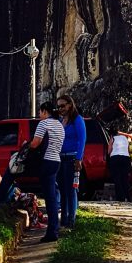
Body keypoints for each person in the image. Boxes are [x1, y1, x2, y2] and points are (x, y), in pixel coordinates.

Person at [30, 100, 64, 242]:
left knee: (50, 198)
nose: (39, 115)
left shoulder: (44, 124)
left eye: (40, 112)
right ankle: (53, 230)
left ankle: (52, 232)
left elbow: (35, 143)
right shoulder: (60, 125)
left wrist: (28, 145)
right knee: (51, 197)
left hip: (46, 161)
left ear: (45, 111)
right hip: (56, 160)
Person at [57, 94, 85, 230]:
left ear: (69, 104)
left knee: (71, 190)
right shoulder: (61, 120)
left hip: (72, 158)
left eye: (63, 105)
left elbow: (82, 139)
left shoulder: (77, 120)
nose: (60, 109)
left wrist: (79, 159)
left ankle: (71, 220)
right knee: (62, 189)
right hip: (61, 158)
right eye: (58, 107)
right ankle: (64, 218)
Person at [109, 125, 132, 201]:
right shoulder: (125, 138)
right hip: (126, 158)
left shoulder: (112, 138)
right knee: (125, 178)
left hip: (115, 158)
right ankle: (128, 197)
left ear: (111, 134)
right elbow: (128, 149)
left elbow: (109, 150)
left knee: (117, 178)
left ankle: (120, 197)